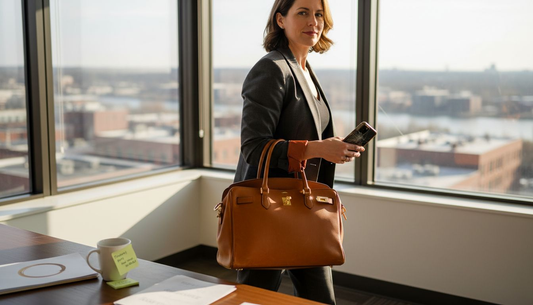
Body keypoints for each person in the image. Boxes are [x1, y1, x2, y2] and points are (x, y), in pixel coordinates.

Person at [234, 0, 365, 304]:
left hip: (304, 207)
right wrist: (319, 148)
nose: (314, 21)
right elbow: (254, 147)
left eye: (319, 14)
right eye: (303, 13)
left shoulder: (304, 69)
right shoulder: (271, 68)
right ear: (280, 20)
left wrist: (332, 148)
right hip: (270, 210)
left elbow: (298, 133)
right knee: (256, 297)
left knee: (320, 298)